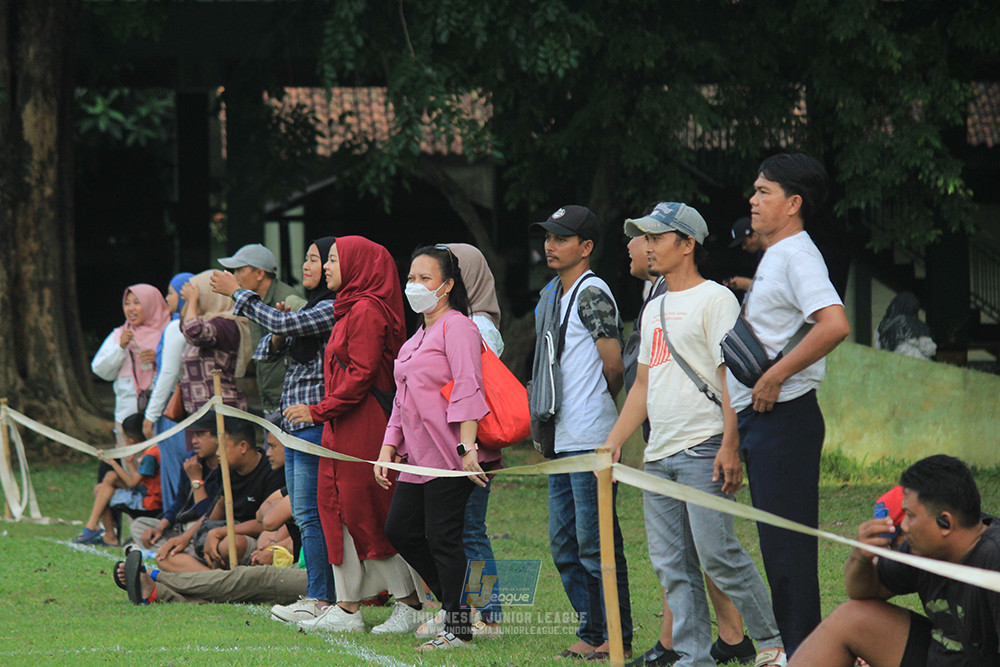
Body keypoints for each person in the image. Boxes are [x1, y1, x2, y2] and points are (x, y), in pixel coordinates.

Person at [606, 202, 786, 667]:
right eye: (644, 237)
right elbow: (643, 384)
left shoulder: (716, 300)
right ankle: (692, 657)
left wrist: (730, 445)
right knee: (673, 566)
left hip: (704, 447)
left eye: (656, 237)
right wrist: (615, 441)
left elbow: (730, 381)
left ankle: (773, 643)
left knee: (718, 554)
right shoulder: (654, 306)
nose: (647, 246)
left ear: (686, 245)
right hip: (659, 454)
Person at [728, 153, 850, 654]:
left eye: (764, 192)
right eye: (754, 191)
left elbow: (835, 324)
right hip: (762, 423)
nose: (753, 201)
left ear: (793, 203)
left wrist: (776, 375)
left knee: (788, 551)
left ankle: (807, 656)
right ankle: (804, 654)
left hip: (786, 421)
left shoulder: (798, 253)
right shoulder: (778, 253)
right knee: (779, 550)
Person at [284, 236, 426, 636]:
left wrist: (317, 410)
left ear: (358, 265)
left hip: (363, 425)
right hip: (342, 425)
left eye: (333, 259)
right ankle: (346, 608)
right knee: (336, 509)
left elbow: (361, 377)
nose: (326, 266)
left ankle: (409, 602)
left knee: (365, 511)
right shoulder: (348, 308)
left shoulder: (367, 310)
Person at [210, 237, 338, 621]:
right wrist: (282, 330)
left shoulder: (331, 307)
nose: (312, 265)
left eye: (322, 259)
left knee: (312, 513)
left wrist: (239, 295)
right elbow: (266, 350)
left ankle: (324, 597)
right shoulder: (311, 306)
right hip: (291, 423)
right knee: (303, 512)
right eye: (312, 259)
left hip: (313, 422)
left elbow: (281, 323)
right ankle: (318, 594)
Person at [528, 205, 633, 661]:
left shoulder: (592, 293)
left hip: (591, 437)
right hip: (561, 437)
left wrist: (598, 409)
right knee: (564, 544)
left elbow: (613, 365)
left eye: (561, 238)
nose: (550, 245)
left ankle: (616, 634)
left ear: (585, 247)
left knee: (596, 544)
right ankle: (592, 631)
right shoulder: (553, 293)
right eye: (548, 237)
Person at [376, 244, 490, 651]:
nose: (415, 285)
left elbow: (468, 387)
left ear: (447, 285)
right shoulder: (415, 338)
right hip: (417, 461)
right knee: (400, 531)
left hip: (450, 456)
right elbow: (402, 403)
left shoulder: (458, 327)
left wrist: (467, 449)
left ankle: (458, 628)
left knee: (443, 537)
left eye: (425, 278)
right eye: (411, 278)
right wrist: (389, 447)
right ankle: (456, 607)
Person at [789, 455, 1000, 666]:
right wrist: (861, 557)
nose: (905, 526)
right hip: (939, 657)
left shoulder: (994, 557)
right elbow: (863, 591)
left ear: (945, 522)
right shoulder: (920, 549)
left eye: (910, 515)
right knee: (850, 617)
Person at [443, 242, 504, 636]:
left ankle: (490, 615)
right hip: (449, 445)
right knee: (452, 530)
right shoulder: (451, 322)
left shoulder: (478, 326)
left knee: (469, 529)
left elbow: (470, 388)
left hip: (473, 447)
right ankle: (461, 609)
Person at [155, 417, 283, 572]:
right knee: (165, 556)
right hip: (221, 535)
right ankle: (216, 581)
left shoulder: (272, 471)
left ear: (243, 447)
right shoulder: (226, 470)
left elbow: (266, 523)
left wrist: (219, 532)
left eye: (221, 447)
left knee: (231, 544)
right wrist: (185, 537)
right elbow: (213, 512)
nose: (217, 453)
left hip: (249, 539)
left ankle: (214, 582)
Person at [217, 243, 306, 413]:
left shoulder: (290, 300)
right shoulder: (253, 301)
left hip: (292, 404)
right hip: (270, 402)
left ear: (259, 274)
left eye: (240, 270)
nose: (235, 276)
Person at [91, 284, 171, 445]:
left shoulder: (169, 332)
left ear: (151, 304)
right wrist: (120, 348)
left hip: (162, 414)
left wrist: (158, 358)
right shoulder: (120, 334)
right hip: (126, 415)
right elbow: (100, 370)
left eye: (137, 302)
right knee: (130, 461)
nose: (130, 308)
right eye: (127, 303)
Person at [142, 272, 195, 512]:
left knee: (176, 467)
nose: (167, 298)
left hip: (173, 414)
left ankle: (175, 521)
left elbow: (168, 374)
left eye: (172, 293)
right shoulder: (198, 324)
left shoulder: (177, 326)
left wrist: (151, 415)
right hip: (191, 411)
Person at [132, 413, 222, 549]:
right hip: (181, 527)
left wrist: (196, 481)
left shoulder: (225, 470)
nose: (194, 441)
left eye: (200, 435)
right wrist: (160, 527)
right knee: (139, 525)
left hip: (202, 527)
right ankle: (176, 550)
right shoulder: (191, 459)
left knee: (202, 531)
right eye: (193, 435)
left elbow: (207, 514)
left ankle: (176, 551)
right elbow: (180, 501)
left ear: (218, 438)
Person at [74, 414, 161, 546]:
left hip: (148, 502)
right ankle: (96, 527)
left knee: (101, 490)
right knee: (110, 478)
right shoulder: (151, 450)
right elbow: (138, 480)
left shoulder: (151, 455)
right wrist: (130, 463)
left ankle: (99, 530)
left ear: (131, 440)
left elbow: (132, 483)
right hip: (144, 493)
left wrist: (113, 462)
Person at [178, 271, 252, 415]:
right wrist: (189, 302)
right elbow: (184, 327)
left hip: (220, 410)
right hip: (200, 410)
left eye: (200, 298)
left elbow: (193, 331)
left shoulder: (226, 325)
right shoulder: (209, 321)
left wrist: (192, 300)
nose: (196, 303)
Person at [875, 292, 937, 360]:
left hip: (890, 363)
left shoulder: (881, 326)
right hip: (916, 362)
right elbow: (928, 349)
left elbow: (878, 348)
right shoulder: (915, 324)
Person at [723, 216, 767, 295]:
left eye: (745, 242)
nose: (744, 247)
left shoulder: (780, 251)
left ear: (755, 235)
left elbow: (778, 289)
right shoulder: (760, 254)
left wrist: (746, 284)